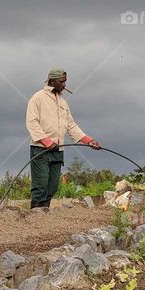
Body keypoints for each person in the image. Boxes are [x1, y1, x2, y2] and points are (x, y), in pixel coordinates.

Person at [25, 68, 100, 209]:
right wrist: (46, 141)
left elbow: (71, 125)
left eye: (65, 81)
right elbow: (32, 122)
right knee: (40, 186)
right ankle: (34, 216)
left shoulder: (63, 103)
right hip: (40, 149)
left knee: (52, 187)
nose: (64, 85)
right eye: (61, 82)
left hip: (57, 150)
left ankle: (44, 213)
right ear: (52, 81)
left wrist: (88, 140)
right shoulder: (37, 98)